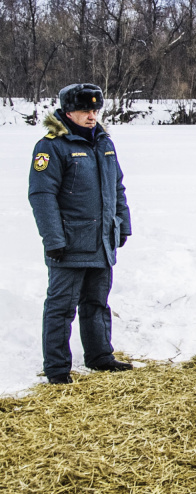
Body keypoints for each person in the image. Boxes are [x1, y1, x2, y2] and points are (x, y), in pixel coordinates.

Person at [28, 83, 133, 384]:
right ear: (67, 111)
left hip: (101, 242)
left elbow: (117, 187)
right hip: (69, 245)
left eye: (95, 110)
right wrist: (53, 239)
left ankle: (100, 356)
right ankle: (58, 370)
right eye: (85, 110)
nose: (91, 116)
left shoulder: (104, 143)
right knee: (61, 308)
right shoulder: (51, 146)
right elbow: (41, 195)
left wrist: (122, 224)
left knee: (97, 303)